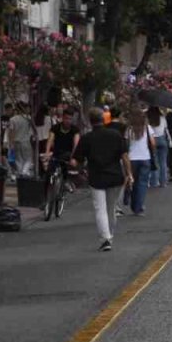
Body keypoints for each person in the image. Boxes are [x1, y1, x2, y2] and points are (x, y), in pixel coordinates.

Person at [72, 107, 132, 251]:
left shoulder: (87, 138)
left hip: (96, 177)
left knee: (100, 209)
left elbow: (77, 159)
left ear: (90, 121)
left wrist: (80, 170)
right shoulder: (115, 135)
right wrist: (129, 174)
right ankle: (109, 235)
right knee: (111, 209)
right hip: (115, 176)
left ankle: (106, 239)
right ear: (104, 119)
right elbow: (124, 156)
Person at [125, 109, 155, 216]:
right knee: (142, 184)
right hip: (145, 158)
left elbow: (127, 144)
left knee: (133, 182)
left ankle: (133, 204)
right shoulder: (147, 128)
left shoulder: (129, 129)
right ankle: (139, 207)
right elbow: (152, 143)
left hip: (132, 159)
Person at [8, 103, 36, 179]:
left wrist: (10, 143)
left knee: (18, 159)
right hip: (26, 141)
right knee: (28, 158)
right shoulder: (28, 118)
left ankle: (21, 173)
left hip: (16, 141)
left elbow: (11, 132)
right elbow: (32, 131)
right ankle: (24, 172)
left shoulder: (12, 119)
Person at [147, 106, 171, 188]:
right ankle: (163, 182)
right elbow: (165, 129)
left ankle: (154, 182)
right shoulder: (162, 117)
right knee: (163, 162)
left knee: (154, 162)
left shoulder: (148, 119)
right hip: (162, 140)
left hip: (152, 140)